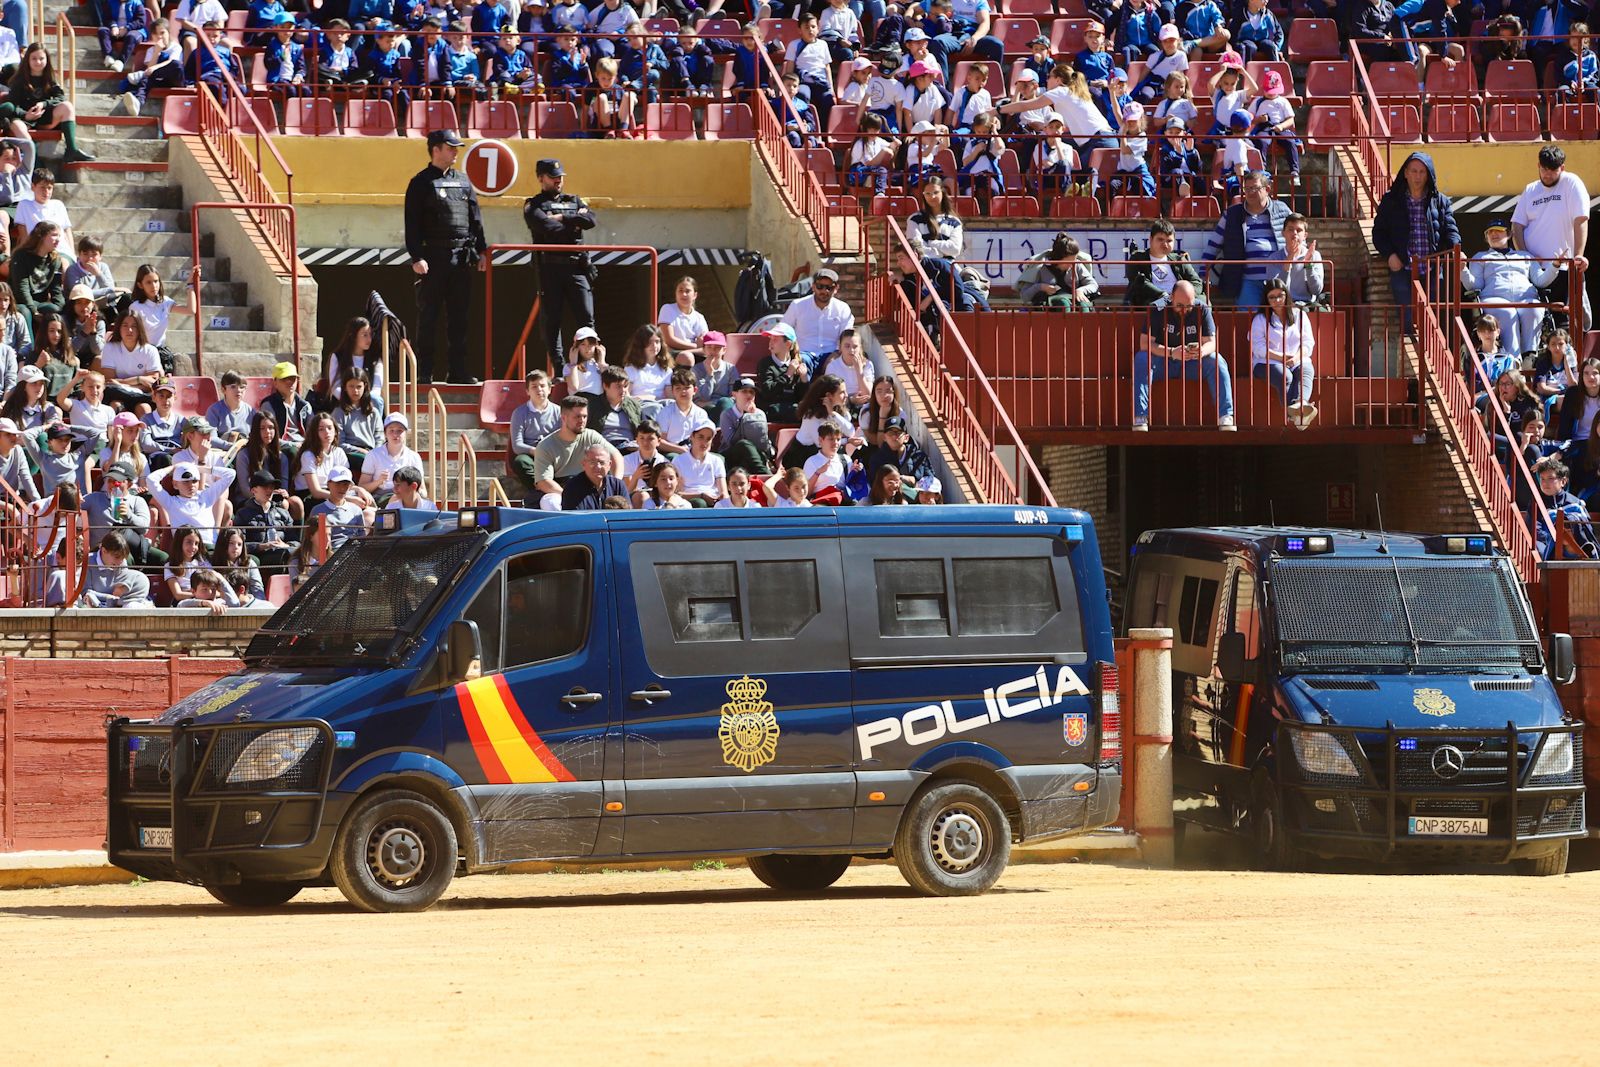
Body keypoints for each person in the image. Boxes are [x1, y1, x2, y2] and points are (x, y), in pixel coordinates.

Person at [404, 129, 487, 385]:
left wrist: (482, 251)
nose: (455, 152)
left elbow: (475, 219)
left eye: (456, 148)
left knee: (459, 317)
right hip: (433, 257)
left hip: (461, 257)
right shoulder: (420, 182)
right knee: (428, 317)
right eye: (450, 148)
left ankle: (458, 371)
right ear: (436, 149)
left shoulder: (463, 181)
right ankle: (424, 372)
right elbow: (412, 224)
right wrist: (417, 256)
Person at [1373, 151, 1460, 335]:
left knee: (1434, 322)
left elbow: (1451, 230)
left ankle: (1431, 357)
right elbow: (1379, 233)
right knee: (1407, 322)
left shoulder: (1440, 201)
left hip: (1432, 270)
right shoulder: (1391, 200)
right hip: (1402, 267)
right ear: (1405, 173)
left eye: (1422, 172)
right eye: (1414, 171)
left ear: (1428, 174)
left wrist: (1456, 249)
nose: (1418, 176)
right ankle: (1411, 356)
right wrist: (1390, 255)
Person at [523, 157, 596, 374]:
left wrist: (562, 217)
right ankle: (560, 366)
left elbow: (591, 220)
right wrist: (574, 223)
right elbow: (546, 227)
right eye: (553, 177)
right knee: (552, 319)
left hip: (576, 266)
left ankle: (589, 364)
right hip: (549, 269)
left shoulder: (574, 200)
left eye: (560, 177)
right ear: (540, 178)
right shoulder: (533, 204)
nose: (558, 181)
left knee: (586, 316)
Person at [1133, 279, 1235, 431]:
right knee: (1142, 358)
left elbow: (1212, 343)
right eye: (1179, 305)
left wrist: (1201, 351)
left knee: (1217, 360)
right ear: (1171, 298)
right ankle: (1140, 416)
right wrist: (1172, 352)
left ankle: (1226, 416)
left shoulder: (1202, 308)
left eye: (1189, 306)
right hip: (1163, 362)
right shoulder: (1157, 308)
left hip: (1192, 362)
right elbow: (1145, 343)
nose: (1184, 310)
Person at [1513, 145, 1591, 335]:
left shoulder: (1572, 183)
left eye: (1553, 170)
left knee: (1563, 320)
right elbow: (1516, 225)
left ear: (1562, 168)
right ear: (1538, 166)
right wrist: (1527, 258)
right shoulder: (1530, 189)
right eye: (1544, 169)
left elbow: (1580, 219)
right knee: (1534, 319)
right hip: (1534, 271)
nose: (1547, 175)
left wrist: (1578, 256)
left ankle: (1568, 362)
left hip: (1564, 267)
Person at [1464, 218, 1560, 359]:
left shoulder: (1525, 256)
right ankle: (1513, 360)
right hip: (1494, 299)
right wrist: (1462, 271)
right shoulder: (1480, 257)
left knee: (1534, 308)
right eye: (1490, 232)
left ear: (1508, 234)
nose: (1494, 234)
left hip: (1526, 298)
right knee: (1508, 312)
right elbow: (1474, 285)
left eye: (1499, 231)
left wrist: (1555, 265)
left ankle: (1529, 355)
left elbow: (1541, 281)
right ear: (1486, 237)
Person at [1201, 170, 1291, 309]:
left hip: (1279, 279)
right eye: (1246, 189)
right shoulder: (1232, 214)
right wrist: (1202, 274)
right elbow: (1213, 246)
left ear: (1267, 189)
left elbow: (1298, 235)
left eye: (1254, 188)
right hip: (1247, 281)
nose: (1249, 192)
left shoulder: (1283, 210)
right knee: (1248, 321)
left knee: (1279, 321)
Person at [528, 394, 624, 510]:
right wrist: (571, 494)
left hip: (594, 486)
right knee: (550, 501)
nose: (582, 421)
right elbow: (543, 482)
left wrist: (615, 484)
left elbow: (616, 456)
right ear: (563, 418)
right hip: (562, 489)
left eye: (584, 416)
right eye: (577, 417)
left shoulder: (591, 436)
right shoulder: (545, 445)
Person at [5, 45, 94, 163]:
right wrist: (26, 115)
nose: (38, 62)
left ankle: (71, 149)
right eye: (34, 58)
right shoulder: (19, 80)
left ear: (47, 60)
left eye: (41, 58)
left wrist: (43, 104)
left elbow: (60, 97)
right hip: (23, 119)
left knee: (67, 106)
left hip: (43, 117)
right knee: (17, 124)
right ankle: (34, 161)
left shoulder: (50, 77)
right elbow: (11, 105)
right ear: (27, 60)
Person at [1250, 277, 1316, 428]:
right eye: (1272, 297)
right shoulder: (1260, 318)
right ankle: (1299, 415)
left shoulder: (1300, 315)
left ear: (1287, 295)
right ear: (1266, 300)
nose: (1277, 300)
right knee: (1285, 376)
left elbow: (1308, 342)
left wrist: (1297, 357)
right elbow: (1258, 348)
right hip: (1267, 362)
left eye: (1280, 295)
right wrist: (1280, 357)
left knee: (1306, 371)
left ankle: (1300, 405)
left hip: (1297, 358)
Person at [82, 458, 165, 567]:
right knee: (124, 558)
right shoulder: (95, 498)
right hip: (104, 550)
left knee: (164, 559)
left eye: (118, 482)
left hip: (133, 547)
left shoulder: (137, 501)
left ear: (129, 484)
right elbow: (74, 506)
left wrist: (129, 515)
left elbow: (144, 528)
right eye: (110, 480)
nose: (113, 485)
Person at [148, 458, 237, 548]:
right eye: (186, 482)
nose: (191, 485)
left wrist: (197, 468)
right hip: (185, 549)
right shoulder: (170, 502)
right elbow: (151, 479)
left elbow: (230, 474)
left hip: (209, 546)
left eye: (194, 481)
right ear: (175, 484)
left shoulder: (207, 496)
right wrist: (173, 467)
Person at [781, 267, 854, 371]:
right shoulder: (798, 305)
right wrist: (794, 352)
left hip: (832, 353)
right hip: (804, 353)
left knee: (836, 365)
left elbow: (847, 337)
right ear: (813, 286)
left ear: (836, 288)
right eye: (820, 286)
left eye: (829, 287)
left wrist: (836, 353)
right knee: (801, 365)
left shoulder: (843, 309)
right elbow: (784, 330)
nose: (824, 291)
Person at [508, 368, 561, 494]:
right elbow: (517, 445)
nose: (539, 390)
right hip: (531, 455)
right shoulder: (519, 413)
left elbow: (563, 438)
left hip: (553, 454)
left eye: (542, 386)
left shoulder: (559, 412)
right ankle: (542, 490)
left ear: (549, 389)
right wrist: (536, 451)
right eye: (534, 386)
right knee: (520, 462)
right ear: (527, 391)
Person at [1126, 218, 1202, 307]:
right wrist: (1165, 296)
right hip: (1154, 302)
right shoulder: (1137, 258)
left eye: (1169, 241)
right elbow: (1139, 282)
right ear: (1150, 240)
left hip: (1181, 302)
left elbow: (1196, 282)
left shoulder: (1179, 260)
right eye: (1160, 239)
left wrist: (1185, 295)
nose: (1165, 244)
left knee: (1203, 304)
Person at [234, 470, 298, 572]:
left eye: (272, 487)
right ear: (253, 490)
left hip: (283, 552)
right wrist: (262, 546)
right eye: (265, 487)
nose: (269, 490)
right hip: (261, 555)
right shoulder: (243, 514)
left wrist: (286, 545)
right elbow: (239, 544)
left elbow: (296, 541)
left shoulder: (283, 513)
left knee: (294, 555)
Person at [1535, 457, 1597, 559]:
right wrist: (1556, 539)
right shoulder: (1537, 502)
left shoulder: (1575, 503)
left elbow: (1586, 527)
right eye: (1542, 479)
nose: (1545, 483)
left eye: (1550, 478)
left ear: (1563, 481)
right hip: (1548, 544)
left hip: (1573, 545)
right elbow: (1535, 528)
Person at [1019, 233, 1098, 311]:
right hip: (1051, 307)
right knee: (1063, 304)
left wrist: (1080, 290)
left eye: (1075, 259)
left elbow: (1093, 284)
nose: (1072, 264)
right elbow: (1025, 296)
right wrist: (1041, 287)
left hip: (1075, 301)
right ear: (1058, 258)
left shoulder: (1077, 264)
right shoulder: (1041, 268)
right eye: (1069, 261)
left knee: (1083, 305)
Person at [359, 411, 423, 506]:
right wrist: (379, 481)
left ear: (406, 433)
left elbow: (422, 489)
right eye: (391, 430)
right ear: (385, 433)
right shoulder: (373, 455)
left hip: (406, 496)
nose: (395, 434)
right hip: (381, 497)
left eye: (399, 430)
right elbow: (362, 486)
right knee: (397, 498)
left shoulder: (414, 456)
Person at [76, 533, 154, 608]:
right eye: (116, 557)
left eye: (122, 558)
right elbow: (85, 593)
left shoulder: (122, 562)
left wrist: (123, 589)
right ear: (104, 551)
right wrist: (110, 598)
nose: (120, 562)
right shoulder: (88, 562)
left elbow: (122, 583)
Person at [717, 376, 773, 475]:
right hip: (732, 455)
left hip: (754, 454)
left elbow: (763, 439)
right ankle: (767, 476)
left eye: (752, 392)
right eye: (744, 391)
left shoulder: (760, 414)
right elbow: (732, 441)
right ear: (734, 394)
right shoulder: (727, 414)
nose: (749, 395)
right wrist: (746, 417)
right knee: (744, 444)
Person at [309, 465, 372, 553]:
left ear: (350, 487)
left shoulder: (356, 510)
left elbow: (361, 537)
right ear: (328, 484)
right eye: (337, 484)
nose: (342, 488)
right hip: (328, 556)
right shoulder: (317, 510)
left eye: (346, 484)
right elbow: (312, 540)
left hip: (352, 554)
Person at [757, 321, 809, 423]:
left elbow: (803, 398)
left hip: (792, 409)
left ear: (788, 344)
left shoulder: (797, 364)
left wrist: (804, 380)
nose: (771, 343)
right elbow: (767, 392)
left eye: (775, 339)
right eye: (770, 339)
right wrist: (788, 375)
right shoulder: (765, 364)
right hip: (772, 409)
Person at [1276, 214, 1327, 311]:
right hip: (1283, 305)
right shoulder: (1274, 258)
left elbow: (1316, 290)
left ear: (1305, 236)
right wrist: (1289, 260)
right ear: (1283, 233)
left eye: (1299, 230)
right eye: (1290, 229)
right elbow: (1277, 290)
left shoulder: (1314, 255)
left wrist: (1308, 265)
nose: (1294, 233)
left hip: (1308, 304)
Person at [259, 360, 311, 453]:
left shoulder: (304, 405)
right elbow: (268, 436)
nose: (289, 382)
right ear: (275, 382)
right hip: (281, 448)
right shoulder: (269, 405)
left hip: (304, 445)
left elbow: (313, 431)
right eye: (284, 379)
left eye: (293, 378)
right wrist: (293, 445)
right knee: (292, 452)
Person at [560, 441, 630, 511]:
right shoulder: (572, 487)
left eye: (602, 462)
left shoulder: (618, 485)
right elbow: (573, 519)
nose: (598, 467)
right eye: (592, 462)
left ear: (609, 465)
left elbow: (627, 514)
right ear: (583, 464)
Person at [672, 423, 727, 506]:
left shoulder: (717, 461)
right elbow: (676, 494)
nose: (704, 442)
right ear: (691, 437)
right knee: (700, 503)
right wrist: (701, 496)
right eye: (700, 437)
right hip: (688, 504)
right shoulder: (678, 461)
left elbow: (723, 492)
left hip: (714, 502)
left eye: (708, 439)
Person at [657, 275, 709, 359]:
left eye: (687, 291)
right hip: (672, 353)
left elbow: (705, 343)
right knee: (687, 357)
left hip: (695, 353)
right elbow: (669, 339)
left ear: (695, 295)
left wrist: (701, 347)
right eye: (680, 291)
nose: (683, 294)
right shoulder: (667, 309)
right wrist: (695, 346)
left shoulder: (699, 318)